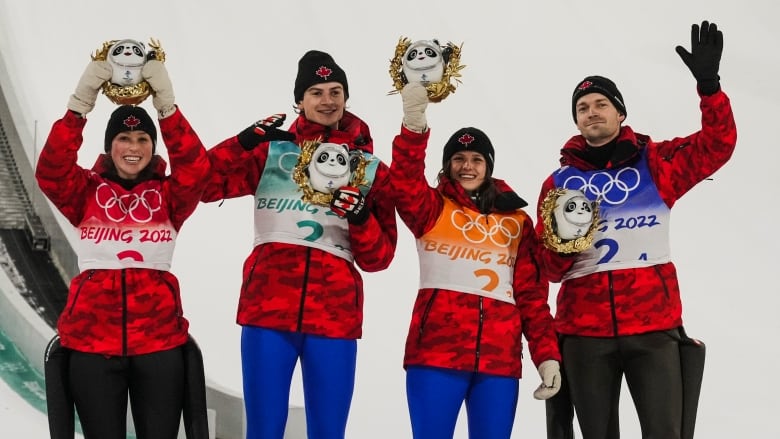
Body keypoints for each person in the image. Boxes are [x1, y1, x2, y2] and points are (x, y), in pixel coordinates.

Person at [535, 20, 736, 439]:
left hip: (653, 327)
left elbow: (718, 145)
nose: (592, 112)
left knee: (666, 432)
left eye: (600, 104)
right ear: (576, 120)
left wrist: (710, 89)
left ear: (620, 112)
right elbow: (550, 269)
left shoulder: (656, 163)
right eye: (583, 107)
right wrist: (567, 241)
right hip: (584, 331)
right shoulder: (558, 184)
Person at [201, 50, 397, 439]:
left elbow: (380, 258)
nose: (327, 101)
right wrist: (240, 143)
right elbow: (202, 185)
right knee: (264, 430)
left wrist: (359, 219)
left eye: (335, 91)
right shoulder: (271, 152)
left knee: (328, 432)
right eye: (316, 92)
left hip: (334, 316)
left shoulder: (368, 168)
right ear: (300, 101)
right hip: (267, 311)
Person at [36, 56, 211, 439]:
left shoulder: (170, 196)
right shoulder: (85, 193)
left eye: (143, 139)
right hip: (91, 343)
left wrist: (167, 108)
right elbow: (50, 170)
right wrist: (80, 104)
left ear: (153, 145)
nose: (133, 147)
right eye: (123, 139)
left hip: (159, 343)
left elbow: (197, 170)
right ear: (110, 146)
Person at [391, 82, 562, 439]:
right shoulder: (431, 209)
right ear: (447, 165)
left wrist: (546, 355)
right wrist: (414, 125)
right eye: (458, 159)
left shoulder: (517, 222)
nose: (467, 166)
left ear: (489, 166)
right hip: (435, 356)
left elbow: (531, 297)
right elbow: (405, 181)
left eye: (476, 159)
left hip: (498, 361)